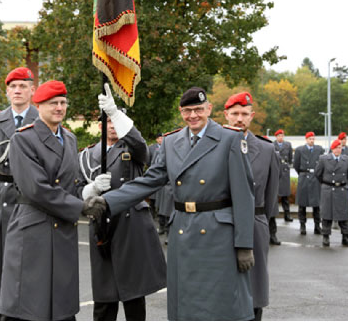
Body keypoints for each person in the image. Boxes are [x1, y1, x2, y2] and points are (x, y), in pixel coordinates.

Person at [94, 86, 255, 321]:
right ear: (181, 112)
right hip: (183, 231)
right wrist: (107, 201)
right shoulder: (171, 142)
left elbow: (243, 195)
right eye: (187, 111)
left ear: (209, 109)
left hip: (218, 234)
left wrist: (244, 245)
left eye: (198, 109)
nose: (193, 116)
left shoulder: (229, 139)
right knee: (186, 304)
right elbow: (149, 181)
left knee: (220, 305)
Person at [0, 80, 105, 321]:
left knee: (60, 303)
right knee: (27, 303)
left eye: (63, 103)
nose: (59, 107)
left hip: (62, 229)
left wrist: (90, 192)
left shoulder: (69, 138)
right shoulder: (23, 139)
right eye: (52, 103)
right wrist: (80, 206)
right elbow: (36, 188)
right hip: (34, 226)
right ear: (39, 106)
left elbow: (72, 182)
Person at [78, 84, 166, 321]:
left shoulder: (133, 149)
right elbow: (77, 191)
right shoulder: (86, 155)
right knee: (104, 296)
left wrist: (116, 112)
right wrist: (91, 189)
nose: (113, 126)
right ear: (100, 126)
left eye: (116, 121)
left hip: (130, 224)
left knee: (133, 295)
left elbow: (141, 147)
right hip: (102, 227)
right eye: (108, 122)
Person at [0, 67, 39, 320]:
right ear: (7, 91)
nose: (18, 90)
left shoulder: (43, 118)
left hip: (31, 198)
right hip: (2, 197)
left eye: (23, 86)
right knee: (0, 264)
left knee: (31, 264)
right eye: (13, 86)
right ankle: (1, 315)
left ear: (32, 90)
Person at [224, 91, 279, 320]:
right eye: (234, 113)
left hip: (255, 224)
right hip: (223, 222)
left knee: (254, 286)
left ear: (252, 116)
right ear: (225, 115)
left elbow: (271, 195)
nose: (239, 118)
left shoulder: (267, 150)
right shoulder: (216, 146)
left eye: (244, 114)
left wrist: (259, 221)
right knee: (223, 287)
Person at [315, 139, 348, 247]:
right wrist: (326, 184)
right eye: (336, 148)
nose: (338, 150)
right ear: (332, 149)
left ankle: (345, 237)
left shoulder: (346, 159)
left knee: (343, 215)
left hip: (341, 189)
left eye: (340, 148)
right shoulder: (324, 159)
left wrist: (345, 186)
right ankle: (326, 237)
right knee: (327, 214)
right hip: (328, 189)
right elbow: (318, 174)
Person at [293, 132, 325, 235]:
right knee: (302, 204)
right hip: (304, 178)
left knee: (316, 205)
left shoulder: (319, 149)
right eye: (310, 139)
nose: (312, 140)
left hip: (315, 178)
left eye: (313, 139)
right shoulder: (299, 150)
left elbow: (321, 165)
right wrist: (302, 173)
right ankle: (302, 225)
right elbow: (296, 165)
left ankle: (317, 226)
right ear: (306, 139)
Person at [273, 129, 293, 223]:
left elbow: (290, 158)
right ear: (276, 137)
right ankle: (273, 214)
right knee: (274, 195)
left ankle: (287, 214)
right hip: (276, 170)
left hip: (284, 171)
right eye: (279, 136)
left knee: (285, 196)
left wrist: (287, 166)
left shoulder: (288, 145)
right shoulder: (272, 145)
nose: (281, 137)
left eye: (282, 135)